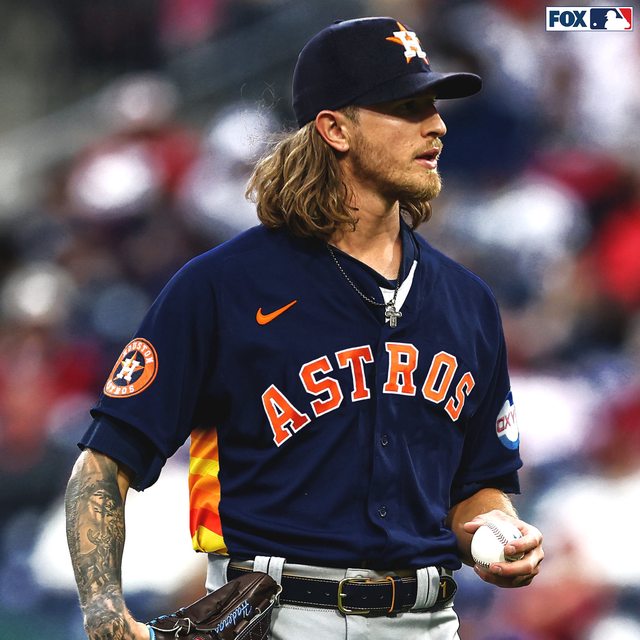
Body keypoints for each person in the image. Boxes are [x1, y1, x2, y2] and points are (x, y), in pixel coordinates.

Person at [65, 16, 544, 640]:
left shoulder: (468, 300)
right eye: (407, 107)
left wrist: (496, 527)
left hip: (427, 620)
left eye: (434, 106)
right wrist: (105, 613)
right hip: (273, 615)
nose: (437, 125)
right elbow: (104, 464)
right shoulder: (224, 286)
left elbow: (479, 485)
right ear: (335, 128)